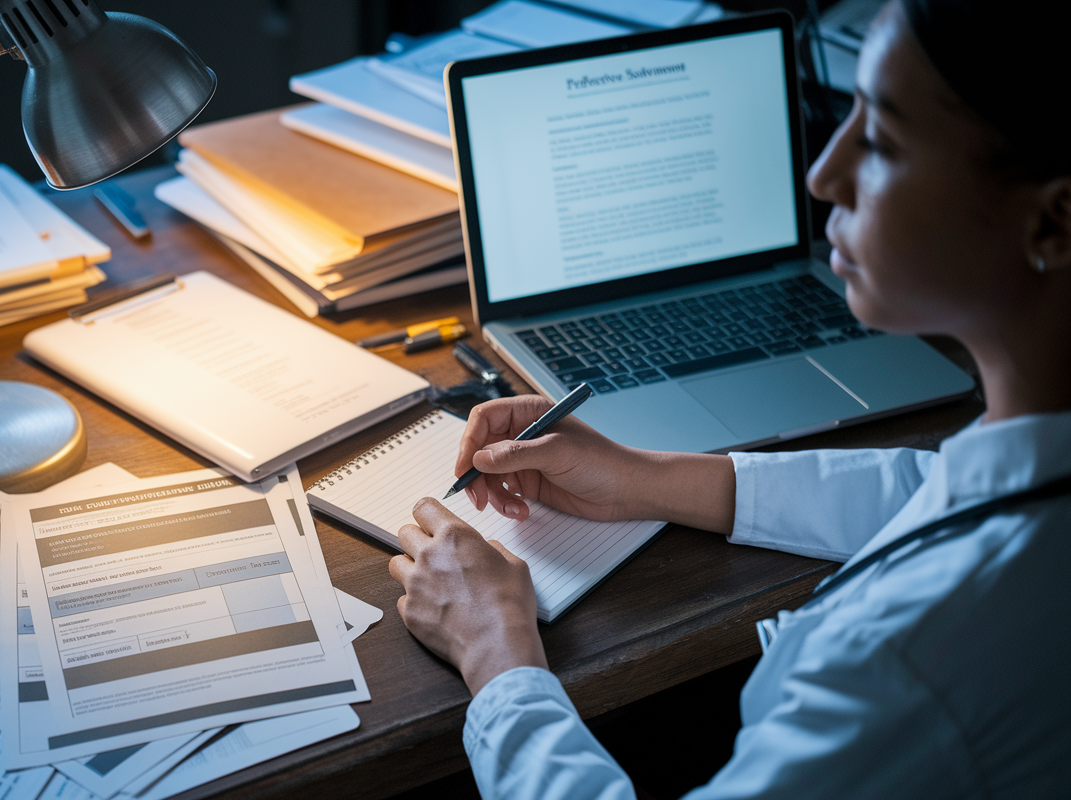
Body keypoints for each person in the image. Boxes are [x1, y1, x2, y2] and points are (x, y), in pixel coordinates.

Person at [387, 0, 1071, 797]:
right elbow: (926, 493)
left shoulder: (912, 661)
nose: (823, 174)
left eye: (882, 141)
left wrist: (497, 655)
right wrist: (649, 478)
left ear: (1054, 221)